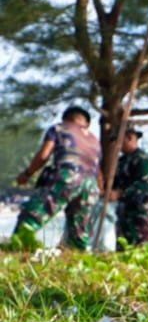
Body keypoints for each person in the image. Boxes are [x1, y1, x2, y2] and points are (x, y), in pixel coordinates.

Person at [10, 106, 101, 250]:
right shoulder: (94, 139)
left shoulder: (60, 128)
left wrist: (27, 174)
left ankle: (16, 247)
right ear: (87, 123)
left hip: (68, 176)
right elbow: (98, 168)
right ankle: (79, 258)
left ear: (66, 118)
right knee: (80, 231)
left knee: (33, 215)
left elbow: (43, 155)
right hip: (91, 185)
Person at [110, 128, 148, 248]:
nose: (115, 144)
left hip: (143, 211)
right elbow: (115, 183)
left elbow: (144, 184)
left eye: (117, 140)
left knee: (142, 247)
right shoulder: (121, 162)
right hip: (126, 213)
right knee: (123, 247)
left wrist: (120, 193)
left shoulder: (143, 160)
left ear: (129, 138)